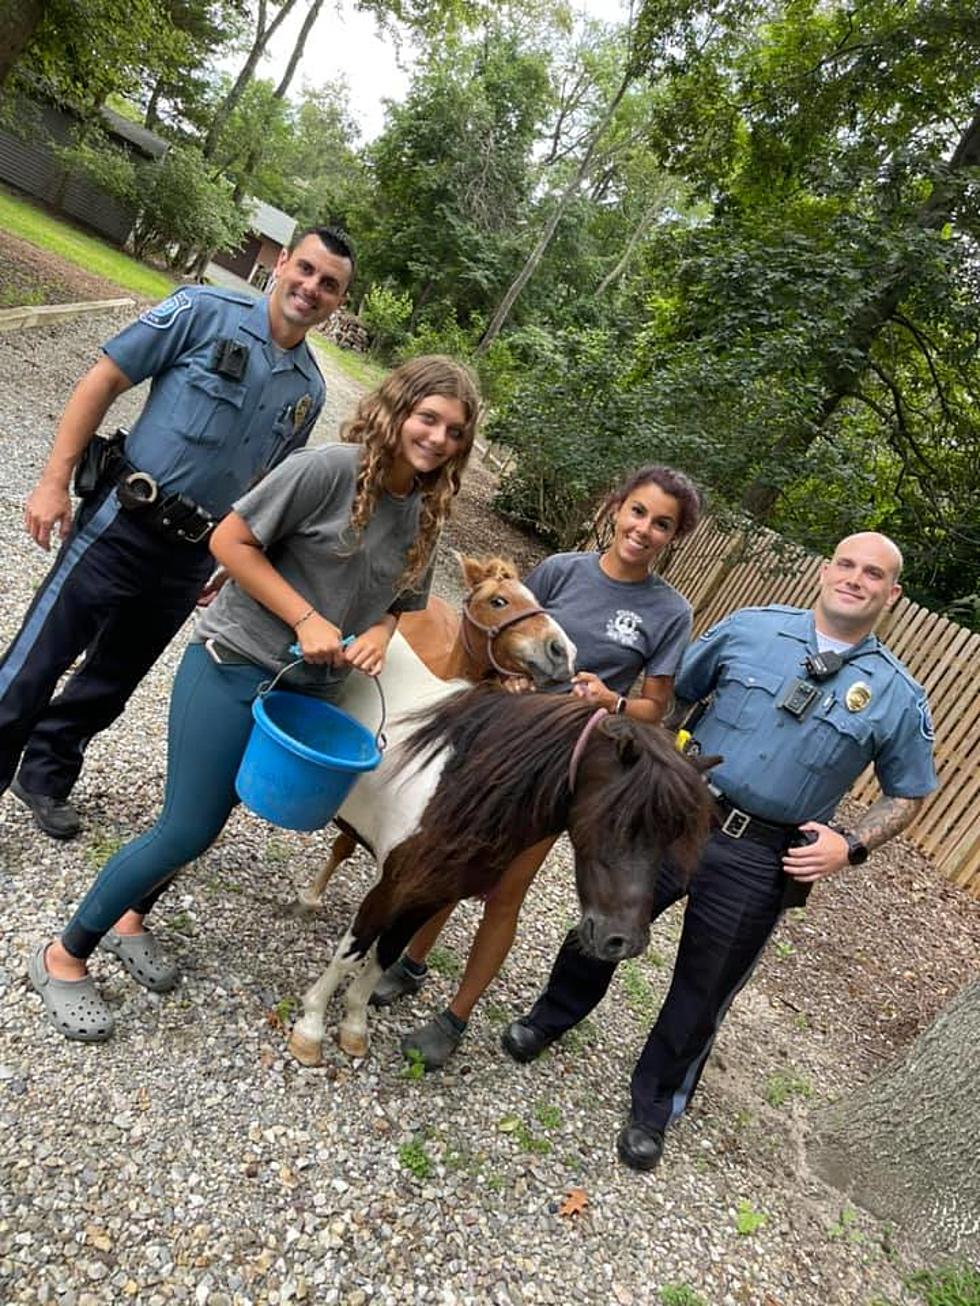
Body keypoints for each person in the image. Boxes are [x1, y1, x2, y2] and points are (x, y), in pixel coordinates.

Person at [27, 354, 482, 1043]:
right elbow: (229, 539)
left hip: (306, 695)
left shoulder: (424, 512)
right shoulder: (329, 469)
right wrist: (305, 618)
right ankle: (64, 955)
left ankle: (130, 921)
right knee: (185, 827)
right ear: (398, 410)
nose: (439, 439)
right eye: (429, 418)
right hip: (234, 661)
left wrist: (379, 635)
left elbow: (400, 604)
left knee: (213, 817)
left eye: (455, 430)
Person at [500, 532, 938, 1172]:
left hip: (764, 856)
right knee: (605, 921)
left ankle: (653, 1105)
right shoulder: (750, 630)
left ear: (891, 594)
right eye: (846, 564)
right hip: (679, 814)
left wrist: (851, 843)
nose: (855, 579)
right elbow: (674, 697)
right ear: (826, 571)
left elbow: (908, 793)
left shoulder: (896, 695)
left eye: (872, 574)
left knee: (704, 989)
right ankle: (548, 1019)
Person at [0, 226, 355, 841]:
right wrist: (54, 481)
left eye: (328, 284)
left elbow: (268, 486)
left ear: (338, 303)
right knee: (38, 660)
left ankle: (46, 773)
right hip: (123, 523)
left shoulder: (310, 391)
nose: (311, 288)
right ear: (281, 266)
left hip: (193, 555)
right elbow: (104, 378)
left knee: (113, 678)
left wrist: (236, 557)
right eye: (305, 270)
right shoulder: (201, 312)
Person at [373, 465, 704, 1070]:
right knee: (450, 857)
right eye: (638, 512)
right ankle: (412, 963)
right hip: (500, 737)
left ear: (673, 537)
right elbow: (505, 638)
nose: (644, 529)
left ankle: (457, 1015)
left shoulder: (669, 611)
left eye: (662, 524)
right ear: (616, 507)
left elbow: (656, 706)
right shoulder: (561, 571)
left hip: (564, 765)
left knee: (504, 890)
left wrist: (614, 701)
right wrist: (509, 673)